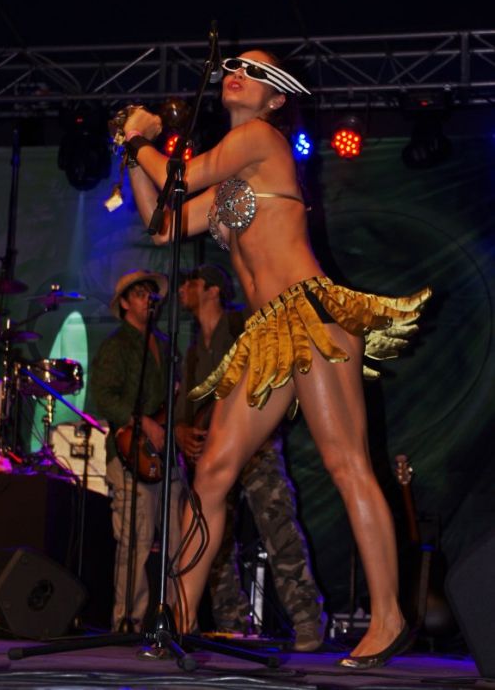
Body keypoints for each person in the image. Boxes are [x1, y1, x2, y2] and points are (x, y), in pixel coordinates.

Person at [120, 50, 431, 667]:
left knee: (346, 463)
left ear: (276, 98)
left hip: (309, 316)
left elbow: (184, 171)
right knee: (212, 474)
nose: (238, 73)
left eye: (256, 72)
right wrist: (133, 157)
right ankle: (176, 617)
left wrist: (137, 140)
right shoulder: (230, 185)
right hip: (266, 335)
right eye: (234, 66)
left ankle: (389, 616)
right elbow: (163, 223)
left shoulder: (262, 138)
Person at [175, 263, 326, 650]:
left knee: (278, 525)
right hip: (213, 452)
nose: (182, 289)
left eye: (191, 282)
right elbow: (186, 408)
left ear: (212, 290)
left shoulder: (244, 324)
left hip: (256, 445)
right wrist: (182, 431)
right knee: (208, 537)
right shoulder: (193, 351)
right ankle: (232, 624)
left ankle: (308, 620)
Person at [90, 269, 185, 632]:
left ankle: (175, 619)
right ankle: (127, 620)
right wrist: (142, 421)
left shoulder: (165, 344)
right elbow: (103, 397)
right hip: (130, 452)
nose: (149, 299)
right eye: (140, 294)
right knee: (136, 541)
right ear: (126, 304)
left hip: (164, 455)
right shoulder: (116, 345)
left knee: (177, 540)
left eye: (151, 293)